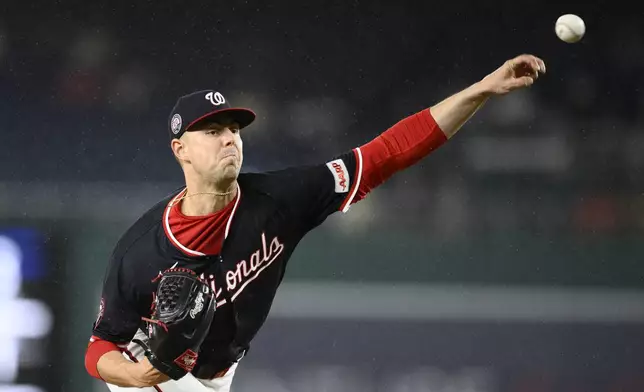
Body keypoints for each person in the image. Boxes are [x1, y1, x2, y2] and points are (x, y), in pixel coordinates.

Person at [84, 54, 546, 392]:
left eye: (234, 130)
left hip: (219, 375)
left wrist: (480, 89)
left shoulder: (281, 198)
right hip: (156, 378)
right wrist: (137, 375)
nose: (229, 139)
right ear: (180, 149)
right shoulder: (141, 249)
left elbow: (385, 153)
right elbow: (99, 347)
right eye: (212, 131)